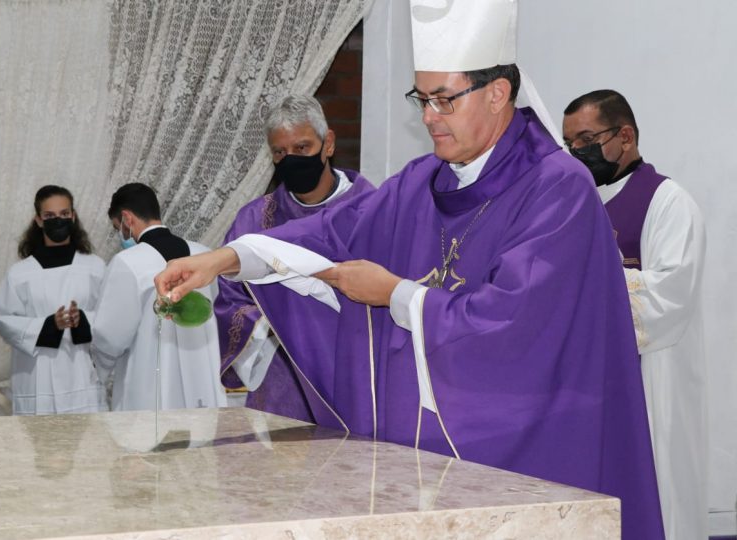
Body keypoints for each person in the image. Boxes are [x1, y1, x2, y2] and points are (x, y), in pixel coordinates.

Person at [154, 2, 663, 538]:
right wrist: (222, 259)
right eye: (421, 98)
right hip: (429, 464)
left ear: (497, 93)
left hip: (532, 453)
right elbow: (327, 232)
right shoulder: (421, 181)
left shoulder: (558, 188)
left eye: (444, 99)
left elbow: (514, 323)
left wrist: (395, 294)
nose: (427, 117)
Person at [563, 90, 707, 540]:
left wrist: (595, 274)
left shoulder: (668, 202)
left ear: (625, 136)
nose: (576, 153)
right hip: (587, 384)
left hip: (650, 382)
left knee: (656, 498)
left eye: (586, 139)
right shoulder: (572, 205)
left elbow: (667, 298)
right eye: (569, 144)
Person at [216, 95, 373, 423]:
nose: (290, 160)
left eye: (302, 148)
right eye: (280, 152)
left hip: (355, 373)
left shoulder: (373, 210)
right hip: (283, 378)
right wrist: (279, 323)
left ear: (327, 143)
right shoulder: (254, 221)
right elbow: (230, 301)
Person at [90, 183, 226, 411]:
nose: (121, 235)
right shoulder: (205, 254)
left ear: (127, 218)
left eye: (118, 228)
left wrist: (99, 371)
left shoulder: (128, 262)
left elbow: (109, 336)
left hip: (148, 386)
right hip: (203, 378)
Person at [0, 185, 107, 415]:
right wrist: (49, 325)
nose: (58, 220)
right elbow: (3, 318)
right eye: (50, 216)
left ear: (73, 216)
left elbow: (110, 316)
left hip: (81, 375)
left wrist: (81, 319)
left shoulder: (94, 267)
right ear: (39, 220)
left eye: (64, 214)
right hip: (36, 376)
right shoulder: (20, 273)